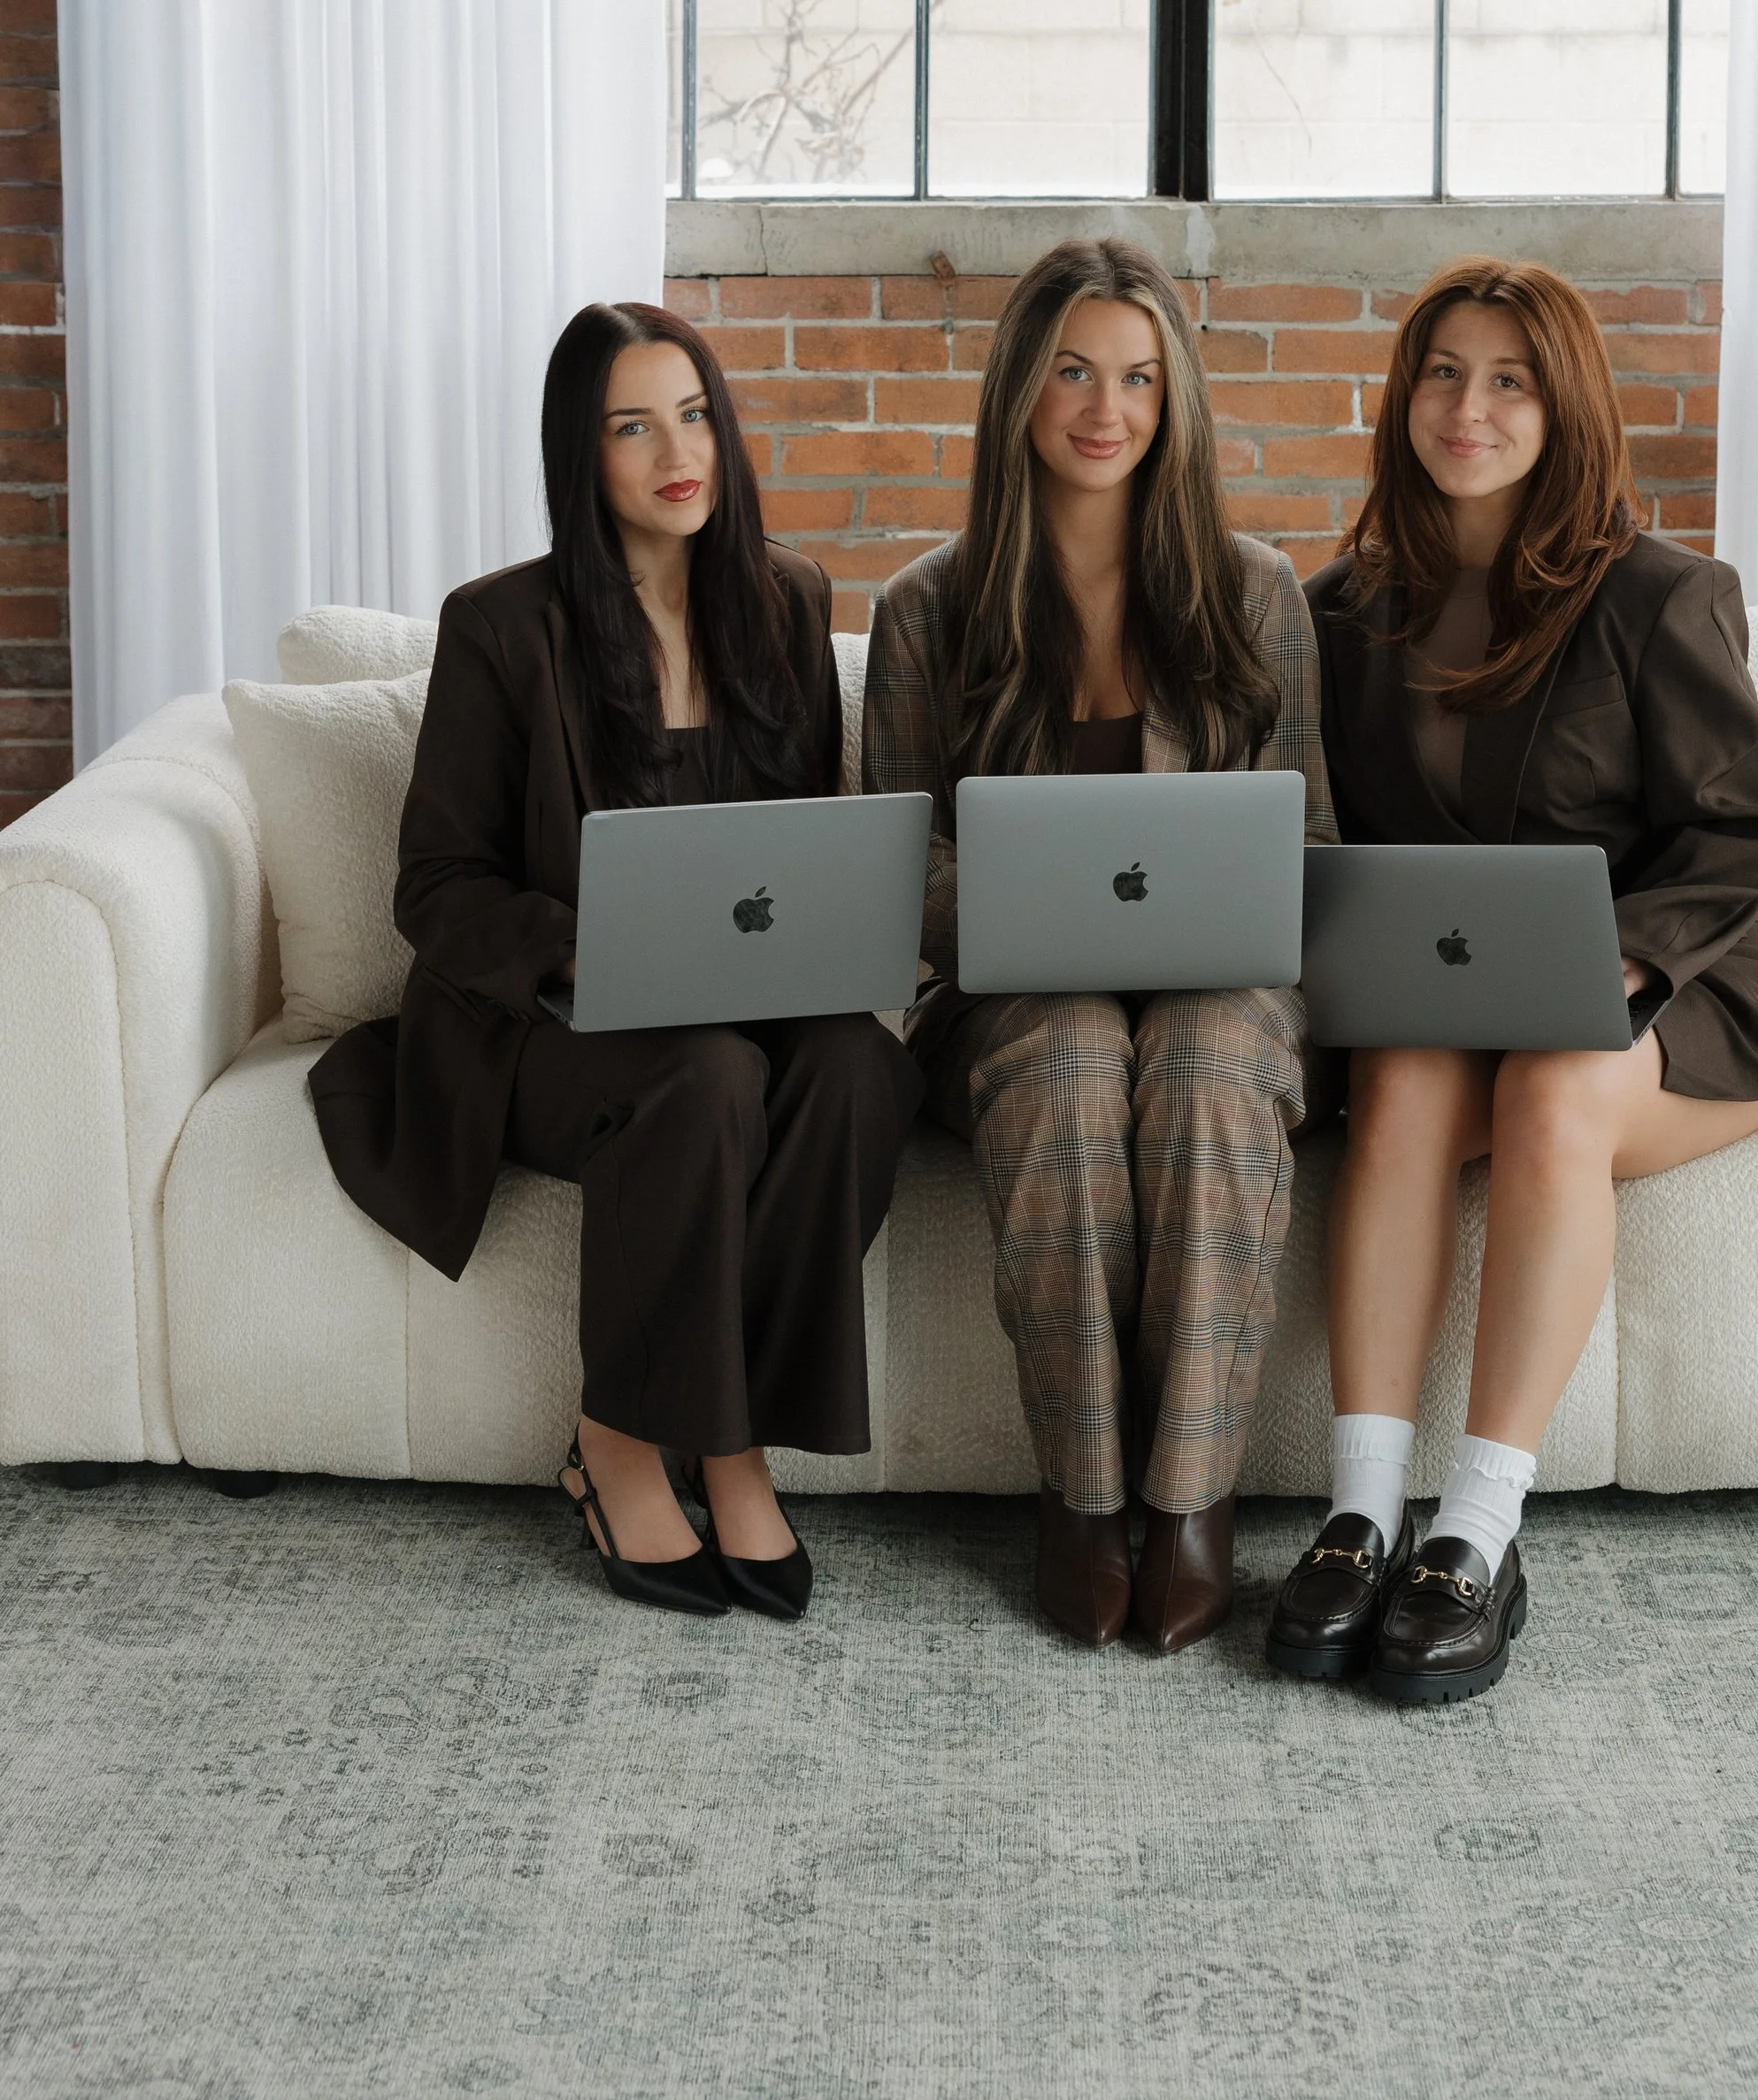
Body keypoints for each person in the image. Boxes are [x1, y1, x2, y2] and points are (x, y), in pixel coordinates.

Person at [310, 303, 922, 1620]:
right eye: (631, 426)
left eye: (694, 414)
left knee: (859, 1070)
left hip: (739, 1008)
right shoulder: (499, 628)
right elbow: (437, 885)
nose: (675, 452)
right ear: (578, 455)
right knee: (703, 1079)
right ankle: (623, 1442)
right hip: (541, 1027)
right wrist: (593, 949)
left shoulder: (789, 602)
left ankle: (738, 1432)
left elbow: (796, 855)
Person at [1270, 257, 1758, 1704]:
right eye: (1445, 372)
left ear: (1562, 404)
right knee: (1392, 1083)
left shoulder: (1661, 595)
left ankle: (1478, 1531)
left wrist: (1623, 957)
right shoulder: (1340, 611)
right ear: (1406, 400)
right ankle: (1362, 1509)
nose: (1471, 406)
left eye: (1510, 379)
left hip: (1670, 998)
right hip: (1452, 999)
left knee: (1558, 1083)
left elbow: (1753, 829)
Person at [863, 238, 1336, 1653]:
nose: (1104, 406)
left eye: (1138, 376)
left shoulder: (1256, 598)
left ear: (1175, 400)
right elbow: (892, 868)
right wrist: (1018, 900)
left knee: (1202, 1056)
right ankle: (1081, 1498)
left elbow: (1311, 845)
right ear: (1020, 385)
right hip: (1013, 1001)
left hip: (1221, 988)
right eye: (1073, 368)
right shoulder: (925, 610)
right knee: (1074, 1051)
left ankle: (1190, 1503)